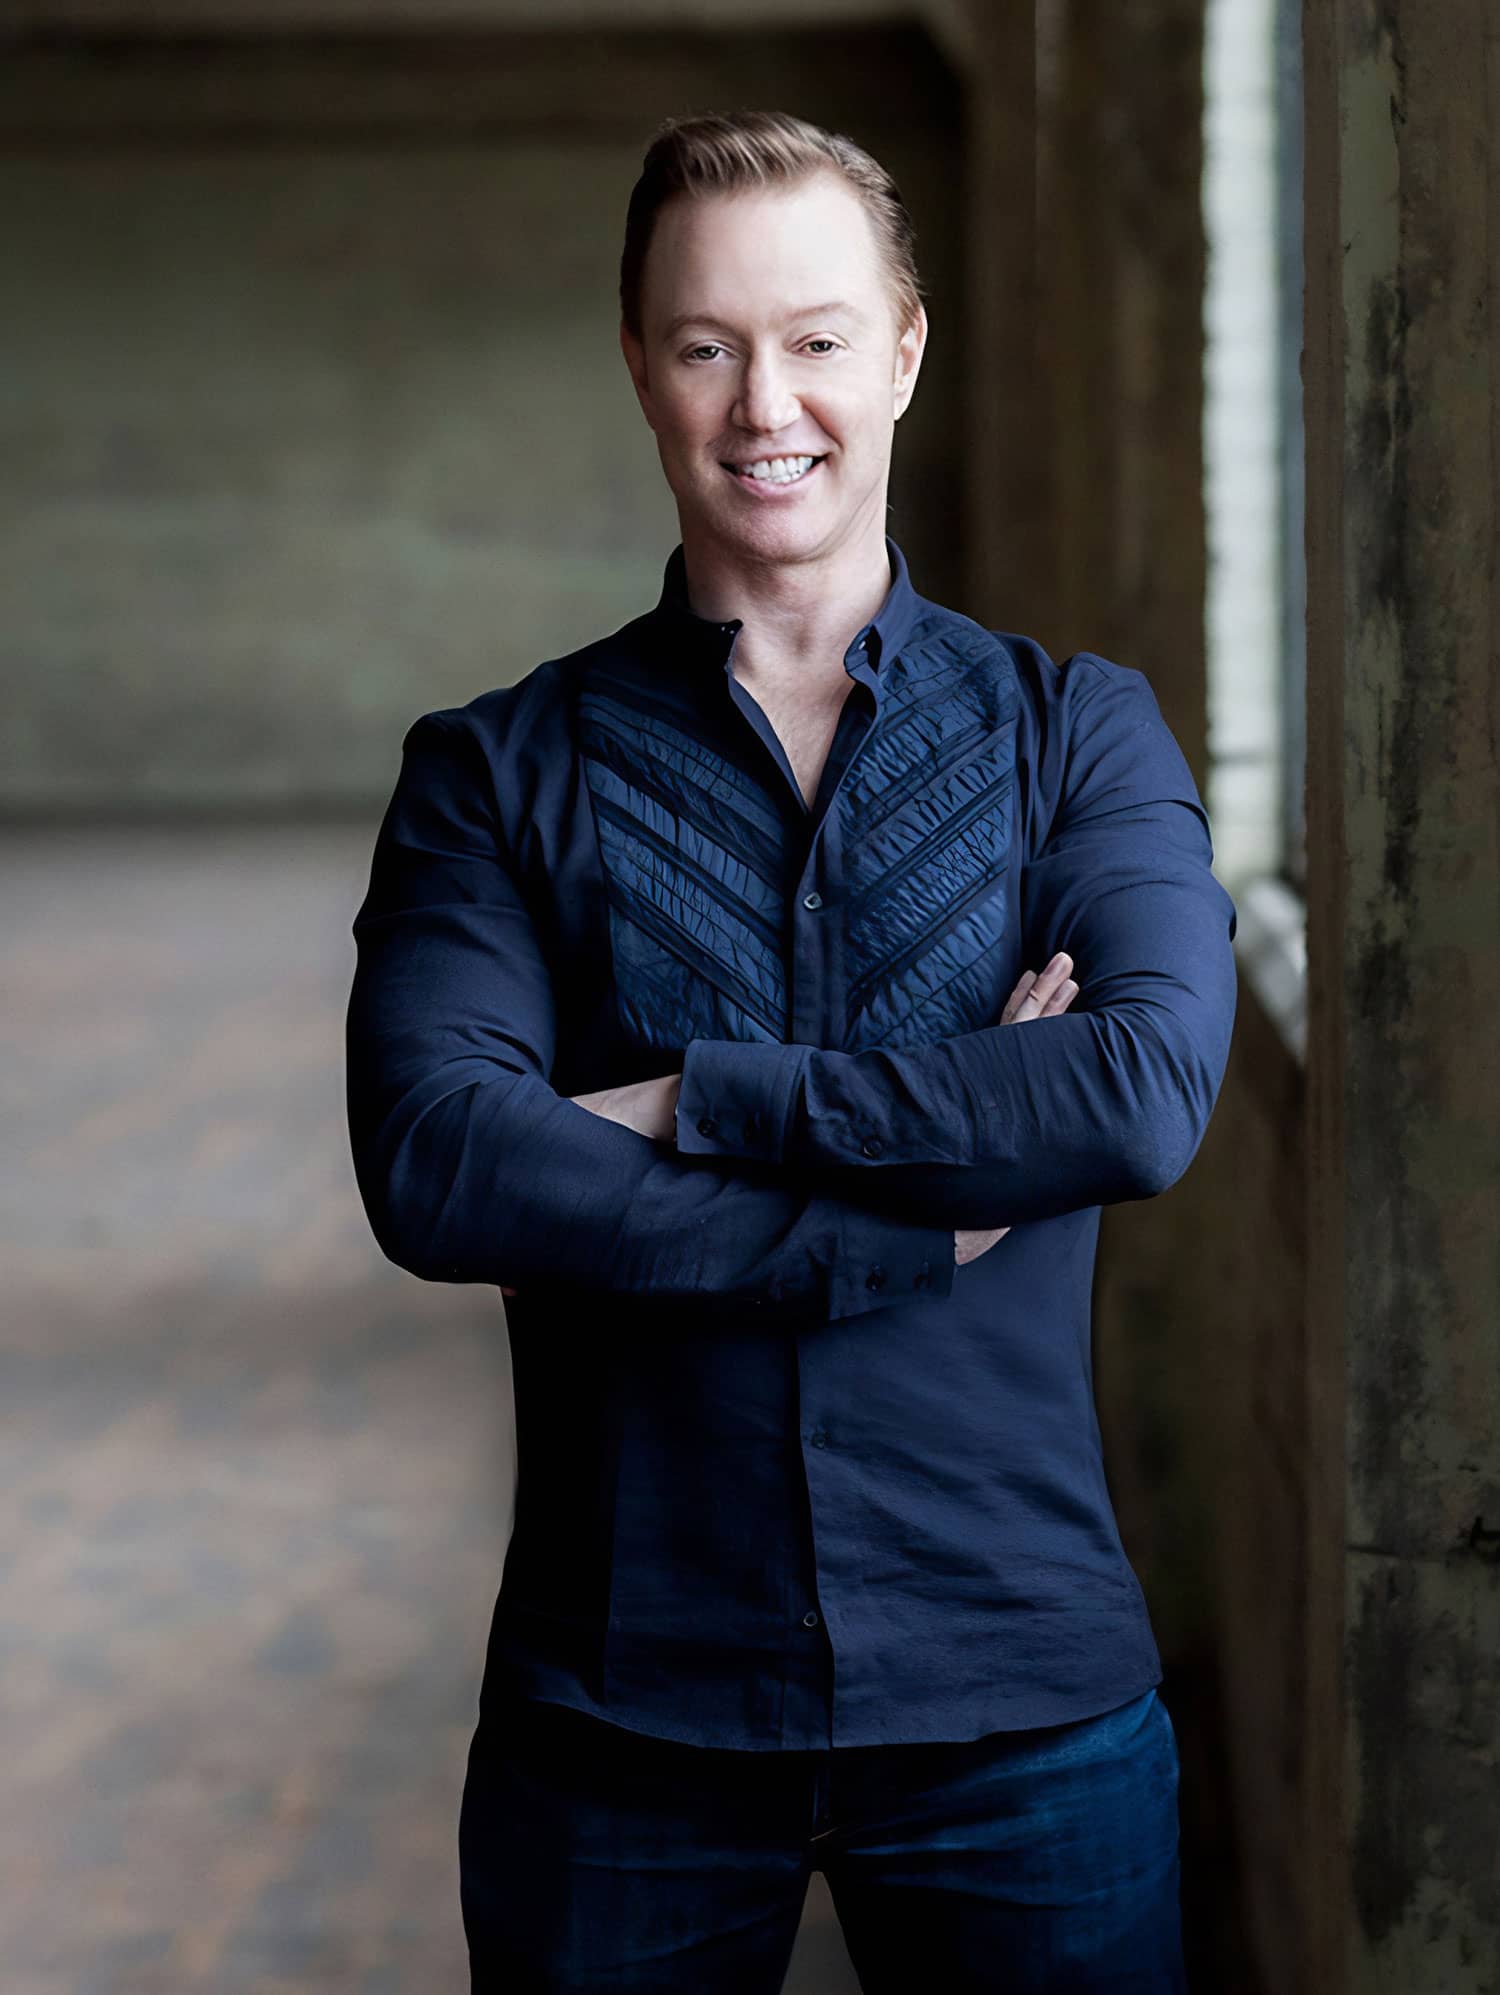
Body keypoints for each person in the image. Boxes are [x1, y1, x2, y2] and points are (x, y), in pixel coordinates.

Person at [345, 108, 1238, 1994]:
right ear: (640, 369)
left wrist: (700, 1100)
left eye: (817, 339)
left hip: (1020, 1702)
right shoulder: (491, 773)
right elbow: (443, 1159)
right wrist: (916, 1215)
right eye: (709, 345)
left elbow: (1137, 1092)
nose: (769, 405)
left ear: (903, 351)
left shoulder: (1077, 735)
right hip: (624, 1715)